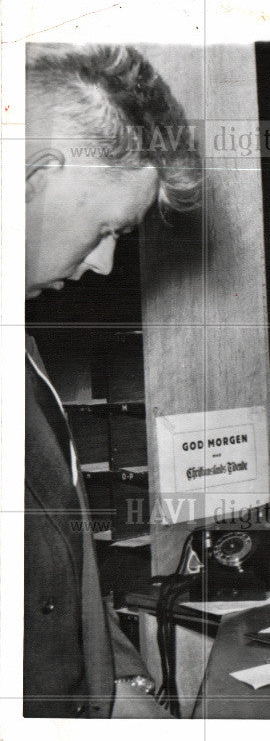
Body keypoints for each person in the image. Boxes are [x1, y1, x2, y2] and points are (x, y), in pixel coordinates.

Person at [24, 45, 202, 718]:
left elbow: (57, 561)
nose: (104, 265)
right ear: (34, 176)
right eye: (106, 229)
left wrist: (118, 682)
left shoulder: (25, 348)